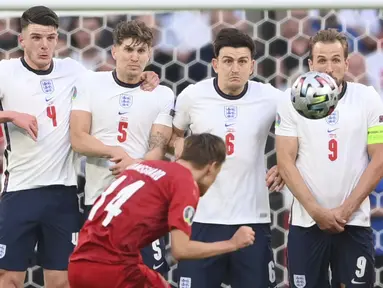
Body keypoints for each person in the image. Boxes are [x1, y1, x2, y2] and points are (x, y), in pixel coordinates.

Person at [0, 6, 158, 288]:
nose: (44, 45)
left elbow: (114, 80)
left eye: (50, 37)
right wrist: (10, 115)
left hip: (64, 193)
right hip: (19, 191)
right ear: (21, 40)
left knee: (63, 280)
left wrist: (145, 75)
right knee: (8, 278)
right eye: (36, 38)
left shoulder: (73, 71)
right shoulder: (5, 72)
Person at [68, 133, 256, 288]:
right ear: (212, 167)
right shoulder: (184, 182)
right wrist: (233, 243)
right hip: (112, 271)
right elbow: (180, 250)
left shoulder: (143, 166)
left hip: (79, 265)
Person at [172, 28, 284, 288]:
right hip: (201, 218)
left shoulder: (270, 98)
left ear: (252, 66)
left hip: (252, 218)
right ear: (215, 64)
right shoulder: (192, 96)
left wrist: (284, 164)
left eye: (242, 61)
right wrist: (178, 145)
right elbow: (172, 136)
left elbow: (301, 132)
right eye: (228, 61)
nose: (235, 68)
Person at [275, 28, 383, 288]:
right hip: (306, 223)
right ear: (310, 63)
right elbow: (285, 162)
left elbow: (379, 158)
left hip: (354, 223)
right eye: (321, 60)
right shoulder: (291, 101)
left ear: (346, 63)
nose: (329, 67)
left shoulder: (367, 98)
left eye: (336, 59)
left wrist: (345, 211)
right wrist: (316, 212)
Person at [70, 19, 174, 275]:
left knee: (150, 276)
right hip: (100, 200)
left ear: (149, 54)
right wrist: (115, 152)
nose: (135, 57)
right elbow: (78, 138)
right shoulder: (90, 83)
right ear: (115, 51)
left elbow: (158, 147)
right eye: (128, 49)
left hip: (143, 201)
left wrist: (134, 166)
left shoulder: (162, 94)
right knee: (99, 278)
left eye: (141, 51)